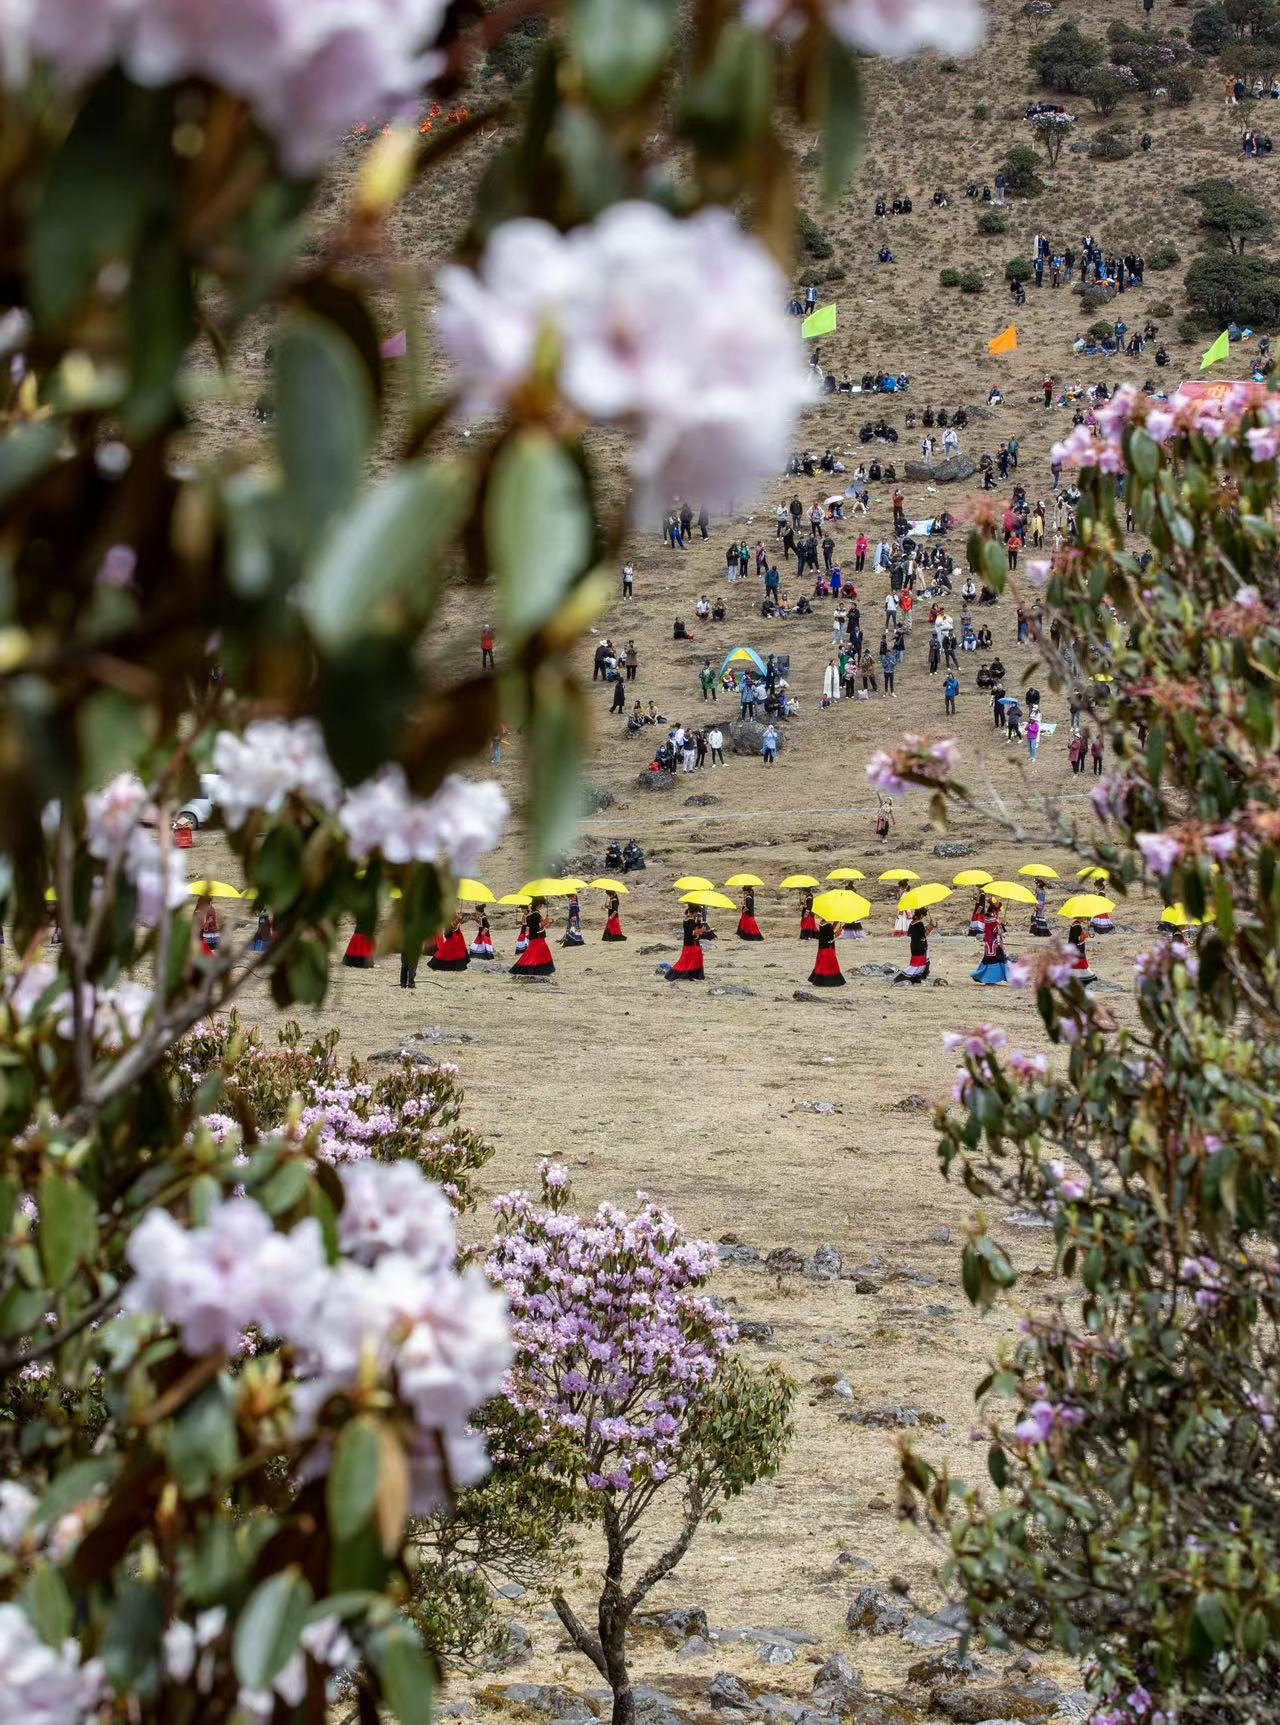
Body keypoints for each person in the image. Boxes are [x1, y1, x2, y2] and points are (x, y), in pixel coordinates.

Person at [511, 898, 555, 976]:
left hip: (536, 938)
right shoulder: (536, 915)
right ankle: (532, 969)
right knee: (537, 954)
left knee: (533, 954)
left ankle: (530, 969)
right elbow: (538, 926)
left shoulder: (532, 915)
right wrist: (546, 921)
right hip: (538, 938)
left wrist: (546, 922)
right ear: (539, 905)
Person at [972, 900, 1011, 985]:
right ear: (995, 909)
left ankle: (989, 978)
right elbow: (997, 931)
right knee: (996, 960)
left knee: (990, 959)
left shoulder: (987, 917)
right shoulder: (993, 919)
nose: (999, 911)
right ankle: (991, 979)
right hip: (994, 943)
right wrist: (1001, 925)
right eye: (998, 909)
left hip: (989, 943)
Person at [894, 908, 932, 983]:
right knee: (920, 963)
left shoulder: (912, 923)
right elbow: (924, 934)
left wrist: (929, 926)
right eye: (923, 916)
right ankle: (909, 977)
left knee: (915, 963)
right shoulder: (919, 923)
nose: (923, 917)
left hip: (914, 945)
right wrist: (931, 927)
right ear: (921, 915)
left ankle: (913, 977)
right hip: (920, 946)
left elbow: (912, 933)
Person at [667, 911, 705, 980]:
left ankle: (688, 975)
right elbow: (692, 933)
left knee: (686, 960)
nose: (698, 914)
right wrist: (701, 930)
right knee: (693, 959)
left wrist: (699, 922)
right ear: (693, 912)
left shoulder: (687, 920)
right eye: (697, 912)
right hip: (691, 943)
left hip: (688, 942)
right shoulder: (691, 921)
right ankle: (691, 975)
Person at [808, 919, 846, 987]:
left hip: (822, 948)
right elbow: (831, 938)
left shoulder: (822, 924)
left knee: (821, 964)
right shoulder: (828, 925)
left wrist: (835, 923)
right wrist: (837, 934)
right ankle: (829, 980)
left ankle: (818, 979)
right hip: (828, 949)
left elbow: (827, 934)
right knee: (830, 965)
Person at [1067, 918, 1095, 984]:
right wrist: (1085, 935)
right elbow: (1078, 938)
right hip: (1077, 946)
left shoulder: (1074, 924)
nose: (1084, 919)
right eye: (1083, 917)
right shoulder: (1077, 926)